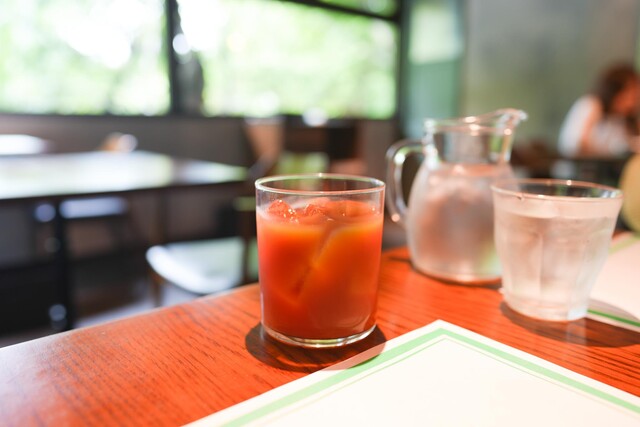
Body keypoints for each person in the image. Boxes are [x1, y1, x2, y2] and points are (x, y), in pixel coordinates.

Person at [559, 63, 640, 157]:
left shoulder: (623, 120)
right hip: (583, 165)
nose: (633, 102)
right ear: (615, 91)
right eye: (631, 95)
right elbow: (576, 145)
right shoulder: (591, 105)